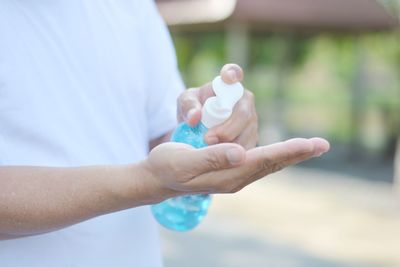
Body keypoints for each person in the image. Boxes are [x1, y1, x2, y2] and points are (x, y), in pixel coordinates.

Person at [0, 1, 329, 266]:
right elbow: (151, 173)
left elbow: (164, 135)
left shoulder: (132, 8)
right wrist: (144, 183)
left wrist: (216, 127)